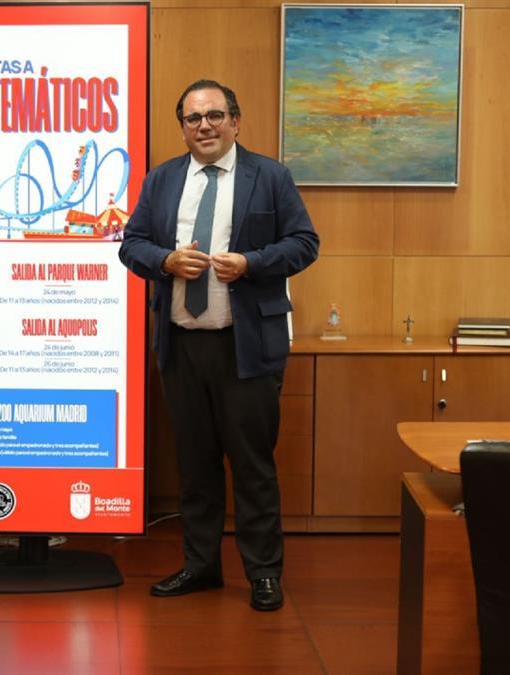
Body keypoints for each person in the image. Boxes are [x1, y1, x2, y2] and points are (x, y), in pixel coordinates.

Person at [118, 80, 318, 611]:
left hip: (245, 348)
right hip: (182, 348)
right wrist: (164, 261)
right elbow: (131, 244)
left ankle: (264, 574)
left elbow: (304, 243)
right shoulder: (162, 179)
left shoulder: (269, 177)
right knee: (195, 466)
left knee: (252, 467)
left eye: (214, 115)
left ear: (235, 120)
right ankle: (200, 565)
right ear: (183, 127)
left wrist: (252, 263)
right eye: (193, 118)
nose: (203, 125)